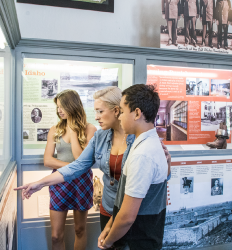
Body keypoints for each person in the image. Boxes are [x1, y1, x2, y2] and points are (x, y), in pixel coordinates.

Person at [15, 86, 171, 234]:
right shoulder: (100, 136)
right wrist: (40, 183)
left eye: (100, 111)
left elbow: (158, 176)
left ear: (116, 111)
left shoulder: (140, 138)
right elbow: (78, 165)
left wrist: (168, 166)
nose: (96, 117)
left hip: (134, 212)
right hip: (109, 208)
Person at [98, 84, 168, 250]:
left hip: (136, 241)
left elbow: (127, 216)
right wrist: (109, 226)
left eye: (122, 111)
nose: (119, 117)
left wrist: (108, 242)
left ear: (137, 113)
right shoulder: (147, 143)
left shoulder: (142, 155)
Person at [33, 90, 98, 250]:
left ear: (72, 106)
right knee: (56, 235)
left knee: (80, 229)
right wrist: (72, 168)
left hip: (82, 182)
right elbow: (48, 160)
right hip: (59, 181)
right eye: (57, 107)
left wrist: (73, 130)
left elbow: (80, 158)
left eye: (62, 106)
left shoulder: (90, 129)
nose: (59, 110)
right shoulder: (54, 129)